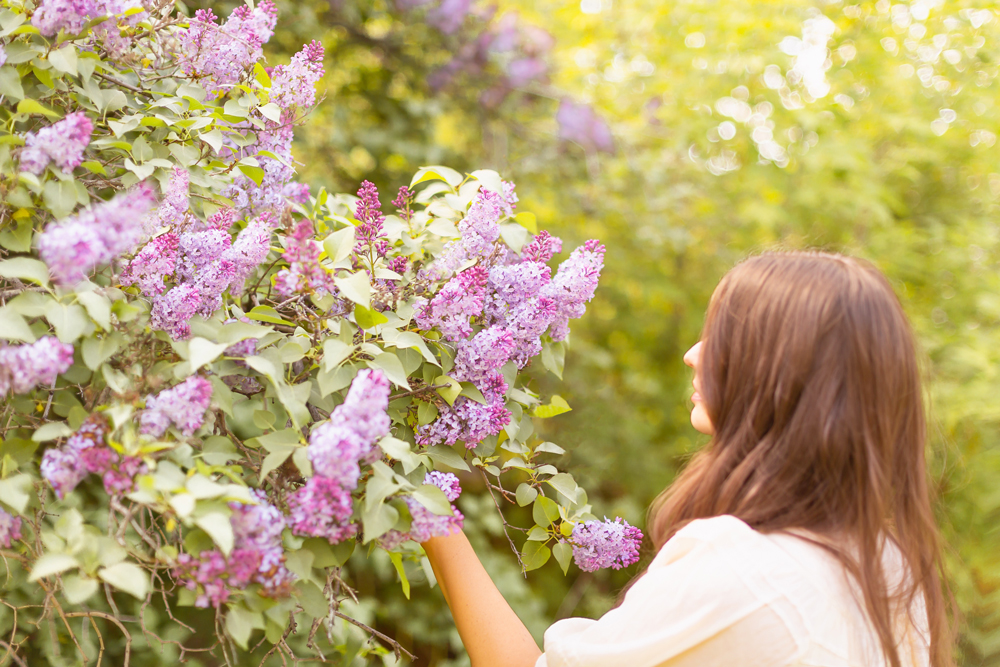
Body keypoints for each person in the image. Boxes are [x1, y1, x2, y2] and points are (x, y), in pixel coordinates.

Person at [422, 251, 954, 667]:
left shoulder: (743, 571)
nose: (693, 354)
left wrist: (425, 508)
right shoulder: (889, 567)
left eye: (723, 335)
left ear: (781, 375)